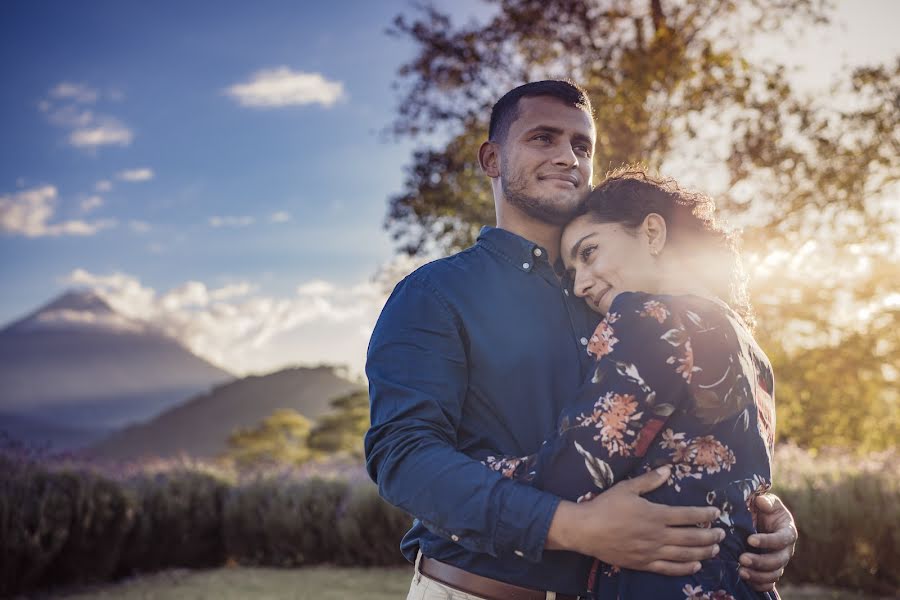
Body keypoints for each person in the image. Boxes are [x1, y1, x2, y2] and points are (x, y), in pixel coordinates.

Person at [365, 80, 796, 600]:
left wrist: (758, 516)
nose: (567, 157)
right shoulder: (435, 293)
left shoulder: (628, 296)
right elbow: (403, 456)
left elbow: (693, 441)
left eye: (582, 146)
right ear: (492, 159)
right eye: (543, 138)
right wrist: (570, 526)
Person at [482, 166, 778, 599]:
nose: (580, 284)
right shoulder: (750, 347)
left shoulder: (647, 317)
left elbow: (574, 474)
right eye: (571, 273)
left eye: (589, 253)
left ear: (652, 233)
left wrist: (478, 468)